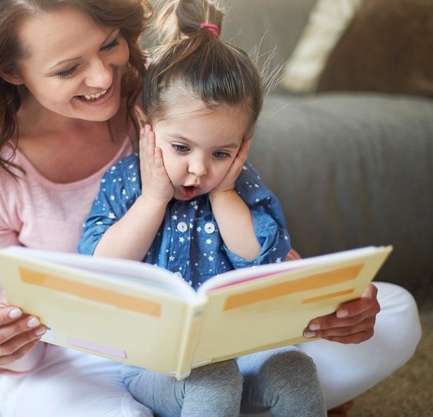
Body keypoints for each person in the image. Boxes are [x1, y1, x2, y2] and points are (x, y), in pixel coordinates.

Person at [0, 0, 421, 416]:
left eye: (109, 44)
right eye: (68, 69)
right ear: (11, 71)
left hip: (221, 340)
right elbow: (21, 355)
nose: (103, 77)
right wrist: (2, 342)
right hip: (83, 359)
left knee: (396, 312)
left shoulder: (168, 93)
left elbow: (245, 235)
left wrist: (325, 304)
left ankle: (227, 399)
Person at [77, 1, 326, 415]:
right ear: (145, 123)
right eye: (180, 148)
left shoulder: (238, 186)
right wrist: (154, 199)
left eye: (221, 152)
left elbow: (259, 257)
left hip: (240, 348)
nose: (198, 170)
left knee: (293, 366)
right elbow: (100, 266)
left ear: (243, 144)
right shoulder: (126, 183)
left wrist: (225, 194)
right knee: (211, 374)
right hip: (150, 363)